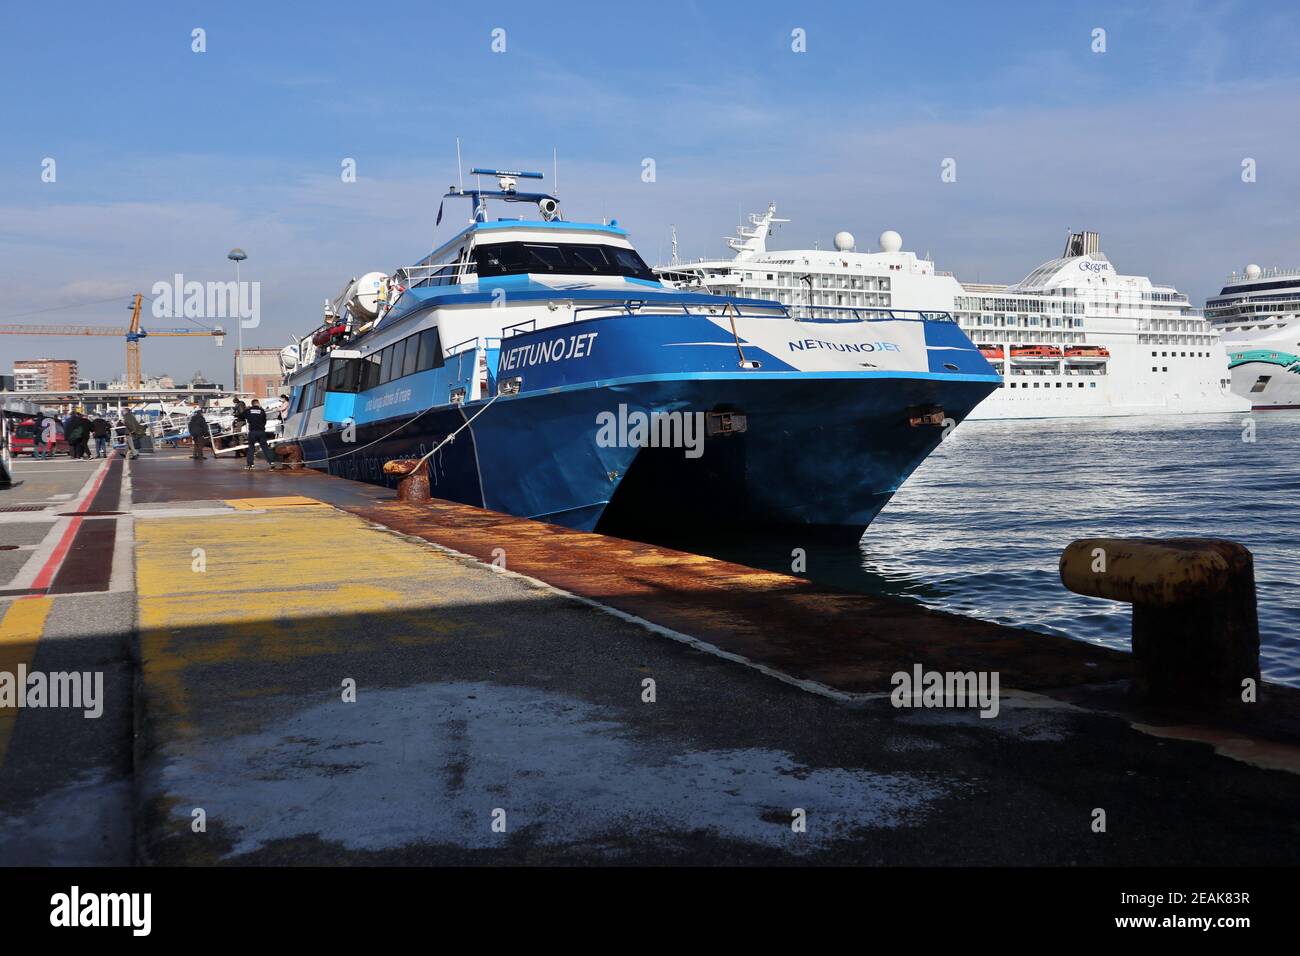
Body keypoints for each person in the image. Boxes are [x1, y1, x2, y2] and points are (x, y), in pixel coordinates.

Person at [243, 399, 276, 470]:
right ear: (258, 403)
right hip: (261, 431)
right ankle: (271, 462)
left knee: (251, 448)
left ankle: (250, 465)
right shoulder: (262, 410)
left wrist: (246, 409)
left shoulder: (249, 410)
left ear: (252, 404)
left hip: (253, 431)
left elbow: (242, 416)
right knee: (265, 447)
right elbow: (264, 420)